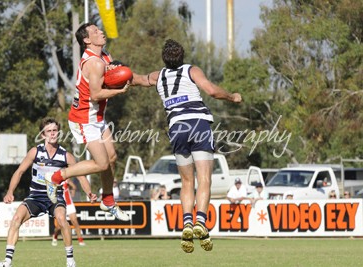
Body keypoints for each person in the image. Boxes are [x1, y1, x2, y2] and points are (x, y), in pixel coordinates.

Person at [131, 39, 242, 253]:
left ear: (164, 58)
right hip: (198, 123)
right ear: (182, 56)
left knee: (186, 181)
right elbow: (211, 91)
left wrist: (115, 75)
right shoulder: (191, 70)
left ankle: (187, 223)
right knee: (205, 179)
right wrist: (232, 97)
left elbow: (137, 79)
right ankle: (201, 221)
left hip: (177, 128)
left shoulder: (158, 76)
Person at [44, 23, 130, 221]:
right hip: (83, 118)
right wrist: (119, 90)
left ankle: (108, 201)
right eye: (95, 31)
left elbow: (119, 76)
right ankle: (56, 177)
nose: (101, 32)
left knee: (112, 158)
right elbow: (96, 94)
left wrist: (146, 80)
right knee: (101, 163)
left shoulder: (105, 56)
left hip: (97, 118)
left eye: (99, 29)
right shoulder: (94, 63)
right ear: (87, 40)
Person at [0, 118, 97, 267]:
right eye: (49, 131)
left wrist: (89, 193)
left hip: (55, 197)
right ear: (42, 135)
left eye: (55, 131)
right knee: (16, 218)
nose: (52, 134)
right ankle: (7, 262)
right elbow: (20, 171)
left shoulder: (66, 156)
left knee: (62, 219)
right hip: (35, 196)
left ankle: (71, 262)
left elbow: (80, 175)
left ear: (58, 133)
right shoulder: (35, 151)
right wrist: (10, 191)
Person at [52, 179, 86, 247]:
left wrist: (72, 192)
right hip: (60, 204)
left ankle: (80, 240)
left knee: (75, 222)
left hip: (69, 204)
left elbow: (74, 187)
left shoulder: (66, 179)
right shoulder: (55, 180)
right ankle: (55, 236)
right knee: (59, 226)